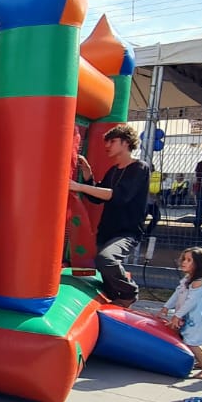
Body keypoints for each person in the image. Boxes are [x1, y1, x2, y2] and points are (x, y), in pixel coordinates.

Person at [68, 124, 150, 307]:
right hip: (107, 231)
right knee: (97, 265)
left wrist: (79, 186)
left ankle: (130, 292)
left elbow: (120, 196)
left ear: (126, 143)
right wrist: (88, 177)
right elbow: (98, 198)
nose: (107, 146)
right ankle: (115, 298)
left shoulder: (139, 168)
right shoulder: (113, 171)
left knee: (106, 259)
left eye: (112, 141)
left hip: (126, 232)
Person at [157, 247, 202, 378]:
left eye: (189, 260)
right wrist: (166, 307)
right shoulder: (188, 279)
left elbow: (190, 302)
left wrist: (177, 315)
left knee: (193, 344)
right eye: (184, 259)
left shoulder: (199, 283)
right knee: (187, 340)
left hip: (195, 320)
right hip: (185, 317)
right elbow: (177, 293)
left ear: (200, 265)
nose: (184, 262)